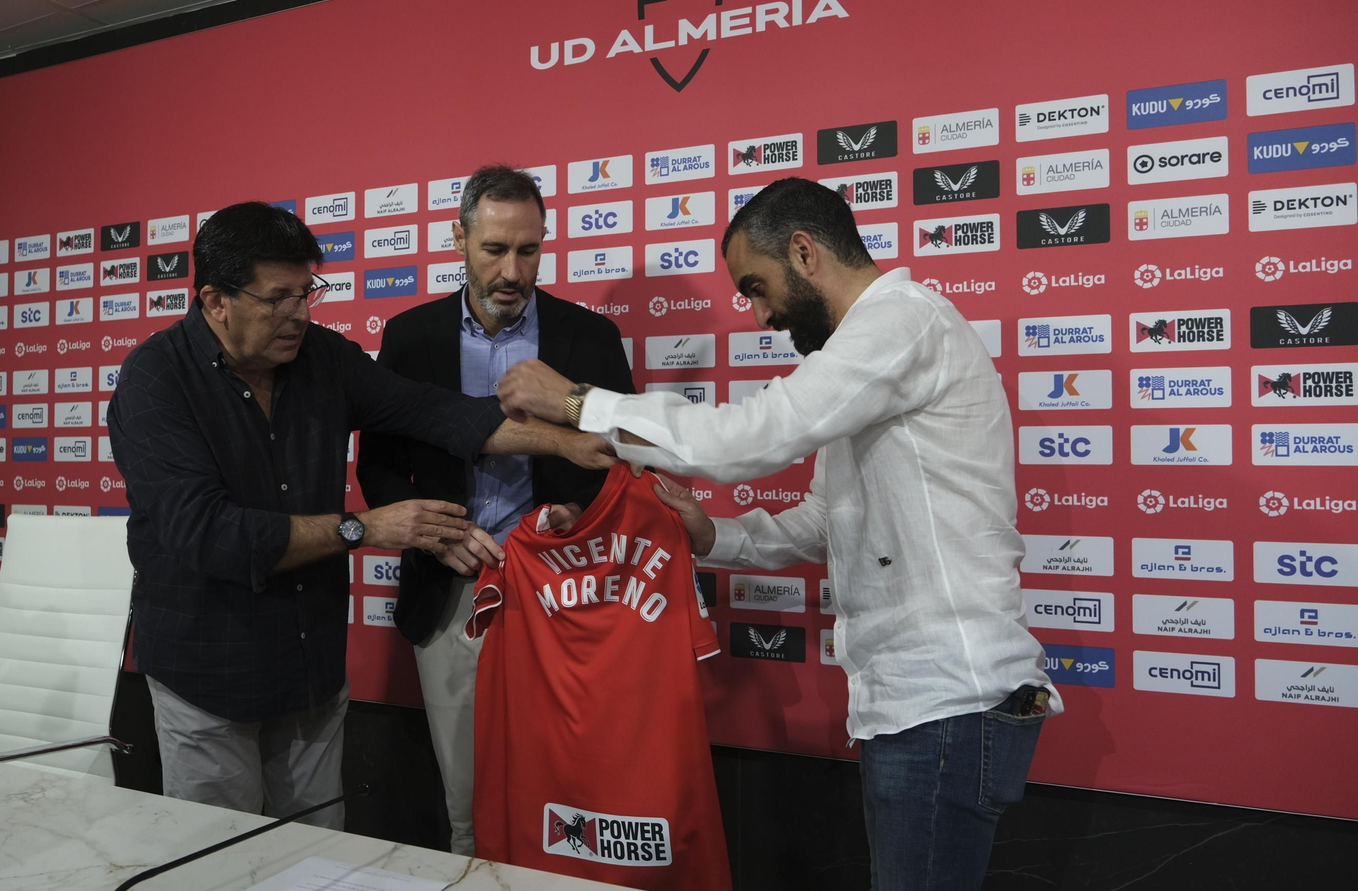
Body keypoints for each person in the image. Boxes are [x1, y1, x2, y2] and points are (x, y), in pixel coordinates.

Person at [496, 177, 1059, 891]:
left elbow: (750, 437)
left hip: (948, 701)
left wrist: (579, 403)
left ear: (803, 252)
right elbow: (826, 518)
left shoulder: (902, 323)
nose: (761, 315)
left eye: (757, 288)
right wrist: (713, 536)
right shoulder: (868, 354)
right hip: (918, 703)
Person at [107, 201, 614, 826]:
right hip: (208, 676)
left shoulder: (322, 356)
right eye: (278, 299)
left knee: (319, 854)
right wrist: (366, 527)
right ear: (216, 301)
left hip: (310, 670)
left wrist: (563, 440)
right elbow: (209, 534)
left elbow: (436, 412)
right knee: (219, 857)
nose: (299, 313)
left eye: (306, 292)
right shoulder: (155, 380)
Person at [356, 165, 635, 855]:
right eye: (494, 250)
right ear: (459, 240)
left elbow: (624, 460)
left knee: (570, 800)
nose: (513, 271)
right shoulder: (411, 336)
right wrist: (431, 532)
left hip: (566, 593)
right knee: (468, 806)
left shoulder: (590, 337)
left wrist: (578, 514)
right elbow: (378, 465)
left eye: (528, 250)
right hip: (450, 591)